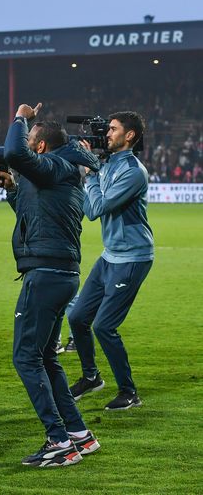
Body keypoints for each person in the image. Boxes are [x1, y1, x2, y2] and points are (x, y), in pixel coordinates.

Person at [0, 103, 101, 467]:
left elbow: (12, 151)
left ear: (40, 147)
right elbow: (38, 215)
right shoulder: (62, 171)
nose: (26, 144)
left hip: (46, 276)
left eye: (31, 140)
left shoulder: (55, 165)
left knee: (25, 356)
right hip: (60, 273)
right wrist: (12, 191)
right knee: (45, 356)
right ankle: (78, 434)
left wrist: (21, 117)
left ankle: (58, 441)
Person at [68, 111, 154, 411]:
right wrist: (90, 166)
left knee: (104, 326)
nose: (107, 134)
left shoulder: (132, 171)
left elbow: (96, 209)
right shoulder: (107, 163)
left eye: (113, 129)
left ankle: (129, 392)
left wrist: (89, 174)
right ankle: (91, 377)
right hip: (110, 255)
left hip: (132, 257)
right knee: (77, 317)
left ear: (129, 135)